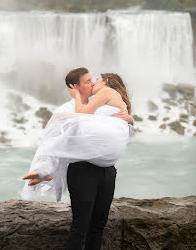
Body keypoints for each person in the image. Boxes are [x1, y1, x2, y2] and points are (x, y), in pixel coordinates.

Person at [21, 67, 133, 250]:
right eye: (88, 81)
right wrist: (43, 169)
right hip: (83, 171)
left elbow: (119, 133)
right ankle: (47, 173)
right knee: (80, 226)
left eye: (93, 80)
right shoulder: (69, 108)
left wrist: (130, 120)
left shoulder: (107, 103)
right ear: (75, 87)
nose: (93, 83)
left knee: (98, 226)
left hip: (108, 171)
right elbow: (53, 140)